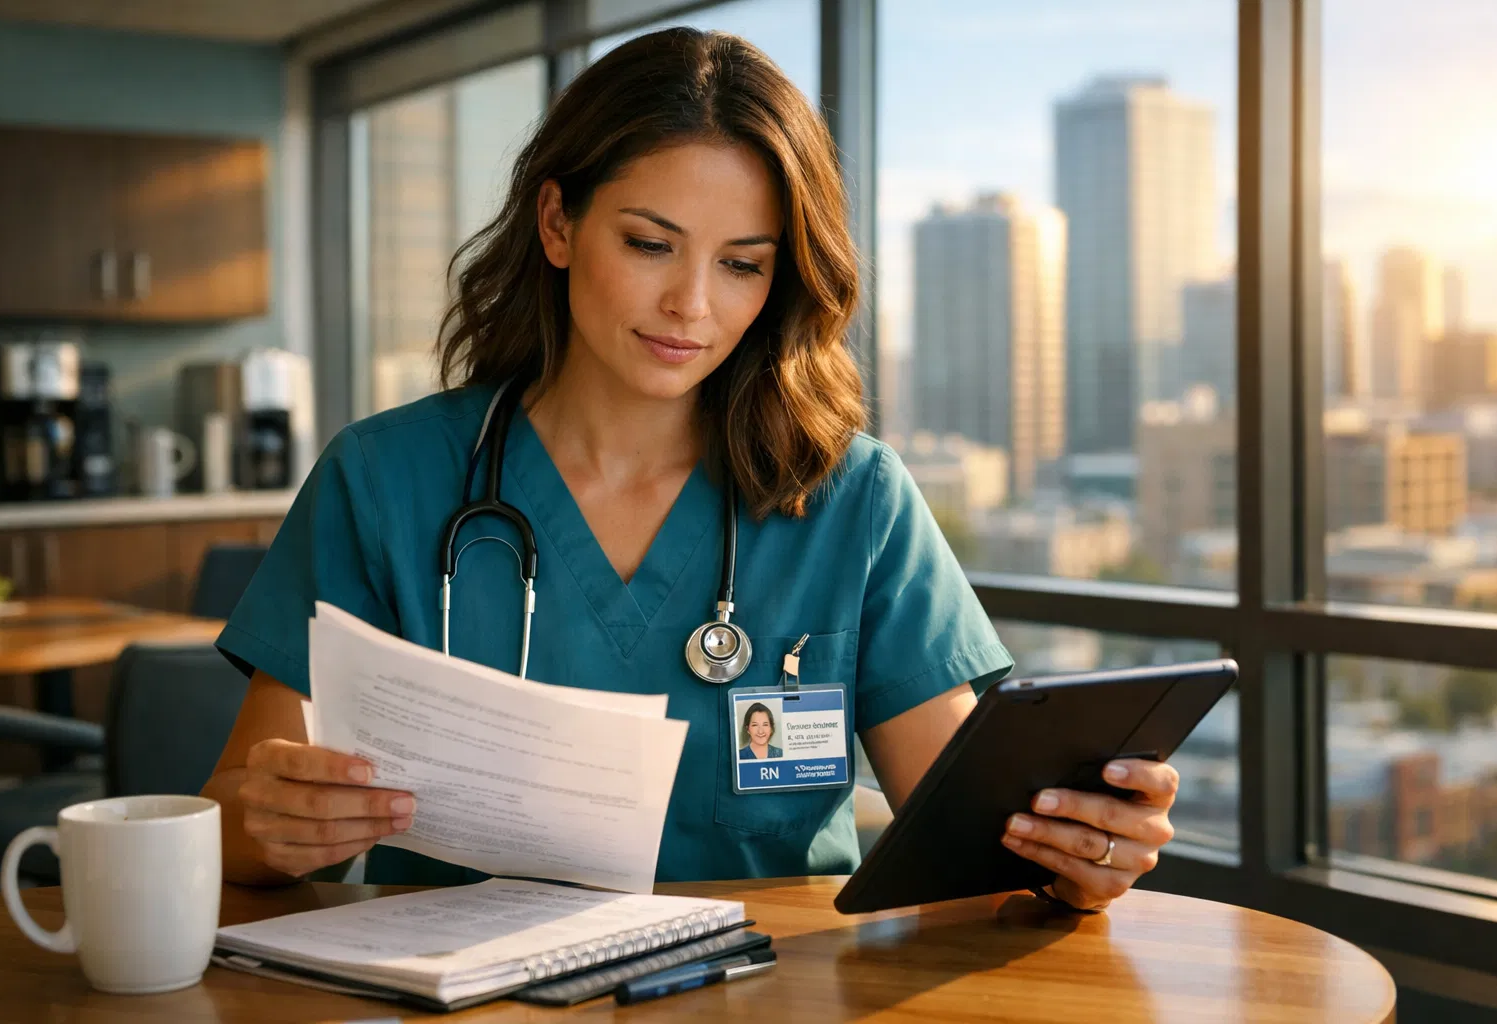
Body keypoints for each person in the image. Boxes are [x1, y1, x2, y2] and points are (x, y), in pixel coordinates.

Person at [202, 27, 1179, 912]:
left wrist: (1083, 852)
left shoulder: (853, 499)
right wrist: (278, 821)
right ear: (556, 224)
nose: (691, 304)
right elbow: (239, 830)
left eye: (743, 264)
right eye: (648, 244)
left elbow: (980, 835)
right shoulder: (384, 481)